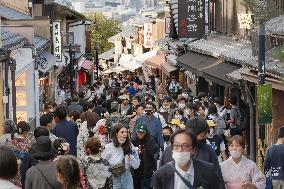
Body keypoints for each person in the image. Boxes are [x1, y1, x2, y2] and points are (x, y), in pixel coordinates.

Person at [153, 129, 220, 189]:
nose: (180, 150)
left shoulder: (208, 170)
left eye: (185, 146)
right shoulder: (160, 175)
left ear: (193, 149)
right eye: (176, 146)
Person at [102, 124, 140, 189]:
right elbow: (102, 165)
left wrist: (131, 159)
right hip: (114, 177)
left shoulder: (130, 146)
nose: (125, 134)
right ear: (116, 134)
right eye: (122, 132)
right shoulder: (108, 147)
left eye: (126, 132)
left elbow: (136, 165)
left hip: (127, 177)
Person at [132, 123, 158, 189]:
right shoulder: (133, 141)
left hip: (146, 172)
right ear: (136, 131)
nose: (140, 134)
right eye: (138, 132)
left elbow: (154, 150)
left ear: (145, 132)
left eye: (142, 132)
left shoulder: (150, 140)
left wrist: (148, 138)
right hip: (135, 172)